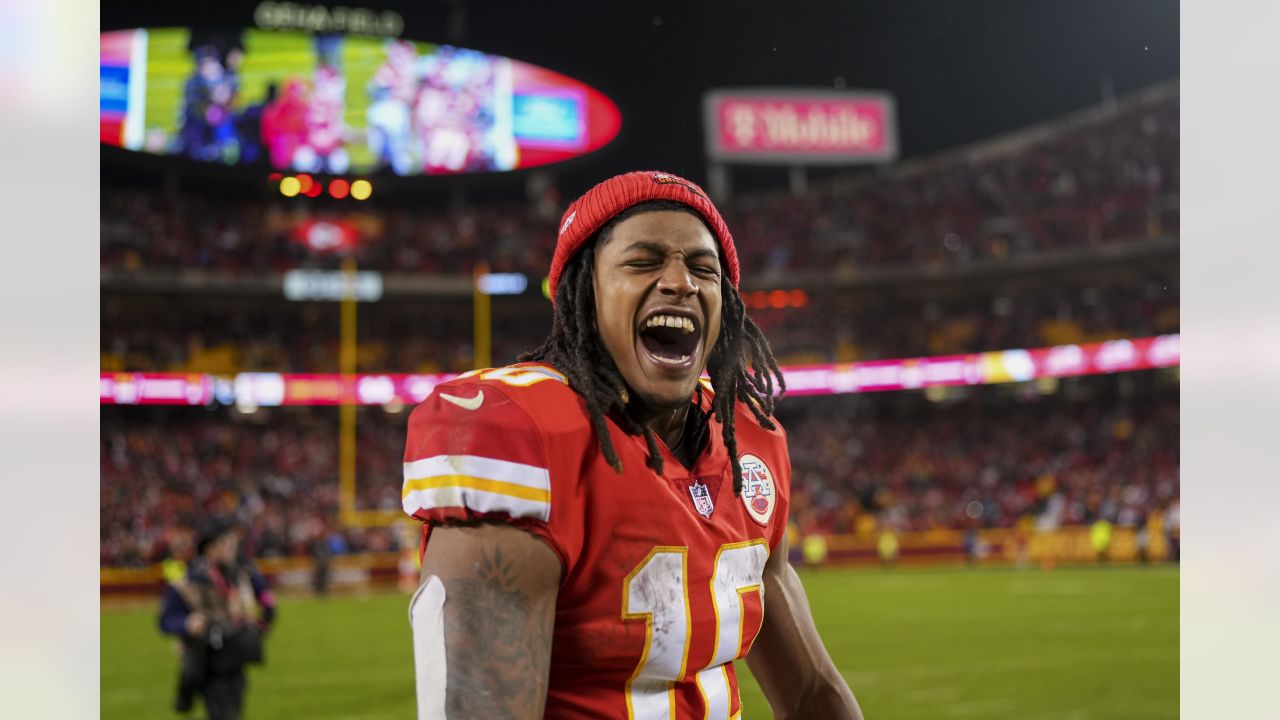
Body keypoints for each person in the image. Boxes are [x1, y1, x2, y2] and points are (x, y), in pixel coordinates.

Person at [402, 170, 863, 718]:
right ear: (585, 291)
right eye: (643, 262)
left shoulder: (751, 441)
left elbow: (813, 694)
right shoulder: (524, 434)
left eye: (702, 268)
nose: (680, 282)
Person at [159, 518, 276, 719]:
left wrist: (261, 625)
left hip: (235, 656)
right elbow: (166, 620)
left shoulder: (242, 571)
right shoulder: (191, 579)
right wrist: (187, 623)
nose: (231, 548)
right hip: (207, 659)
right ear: (210, 548)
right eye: (226, 543)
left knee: (233, 710)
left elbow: (266, 599)